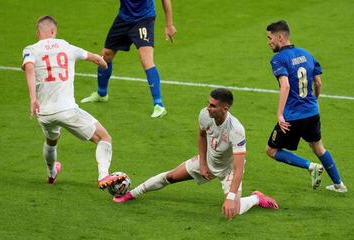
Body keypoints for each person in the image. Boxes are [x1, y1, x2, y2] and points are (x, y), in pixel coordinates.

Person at [114, 88, 278, 220]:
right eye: (209, 103)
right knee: (170, 176)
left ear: (225, 109)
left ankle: (256, 198)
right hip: (207, 161)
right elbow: (201, 136)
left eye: (213, 106)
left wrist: (231, 196)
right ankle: (131, 194)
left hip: (229, 170)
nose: (208, 108)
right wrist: (202, 164)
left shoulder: (236, 130)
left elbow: (239, 168)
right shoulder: (205, 114)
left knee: (232, 211)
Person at [22, 16, 124, 189]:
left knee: (51, 140)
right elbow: (96, 58)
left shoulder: (30, 49)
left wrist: (33, 98)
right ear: (53, 31)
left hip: (44, 113)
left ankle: (52, 173)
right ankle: (103, 176)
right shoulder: (66, 46)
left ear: (38, 32)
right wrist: (102, 63)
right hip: (67, 110)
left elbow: (29, 68)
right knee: (104, 138)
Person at [265, 20, 347, 193]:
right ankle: (339, 184)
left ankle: (310, 166)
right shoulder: (307, 54)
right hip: (312, 112)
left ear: (280, 37)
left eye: (270, 38)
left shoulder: (278, 59)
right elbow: (318, 82)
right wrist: (314, 100)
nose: (268, 42)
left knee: (271, 150)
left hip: (292, 116)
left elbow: (285, 86)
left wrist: (280, 115)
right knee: (318, 147)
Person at [80, 0, 177, 118]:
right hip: (123, 18)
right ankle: (102, 94)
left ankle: (159, 105)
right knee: (106, 55)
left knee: (146, 59)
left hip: (144, 19)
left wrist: (169, 24)